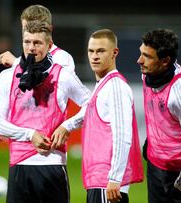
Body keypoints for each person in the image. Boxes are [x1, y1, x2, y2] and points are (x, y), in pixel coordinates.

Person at [0, 20, 90, 203]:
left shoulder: (63, 75)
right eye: (27, 42)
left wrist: (67, 126)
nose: (31, 48)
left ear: (49, 45)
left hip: (52, 164)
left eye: (37, 43)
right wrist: (30, 134)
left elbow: (92, 105)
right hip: (19, 164)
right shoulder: (6, 77)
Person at [55, 29, 144, 203]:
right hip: (100, 180)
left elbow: (123, 136)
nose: (95, 56)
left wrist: (115, 178)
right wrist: (67, 125)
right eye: (91, 51)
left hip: (107, 183)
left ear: (114, 53)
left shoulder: (116, 87)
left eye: (101, 51)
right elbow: (88, 110)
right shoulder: (103, 85)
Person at [137, 28, 181, 203]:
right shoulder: (148, 74)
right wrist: (152, 142)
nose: (139, 60)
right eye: (141, 53)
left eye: (147, 56)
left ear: (166, 60)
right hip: (155, 166)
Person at [0, 4, 75, 72]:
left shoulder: (63, 58)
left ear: (50, 29)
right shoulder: (23, 59)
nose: (29, 33)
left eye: (35, 28)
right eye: (25, 29)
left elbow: (49, 81)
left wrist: (16, 63)